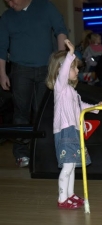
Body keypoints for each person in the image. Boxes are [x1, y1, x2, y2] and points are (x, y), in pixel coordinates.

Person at [0, 0, 68, 167]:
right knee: (21, 112)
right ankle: (21, 154)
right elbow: (1, 48)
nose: (10, 4)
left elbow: (61, 31)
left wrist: (60, 63)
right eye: (6, 1)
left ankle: (41, 151)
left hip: (46, 68)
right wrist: (2, 74)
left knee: (42, 112)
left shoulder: (46, 7)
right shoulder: (7, 17)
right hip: (20, 70)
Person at [45, 39, 102, 209]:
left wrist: (96, 107)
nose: (77, 70)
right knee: (67, 167)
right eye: (74, 67)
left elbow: (81, 107)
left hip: (74, 131)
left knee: (71, 166)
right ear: (62, 69)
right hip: (65, 131)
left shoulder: (72, 92)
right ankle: (62, 199)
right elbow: (64, 72)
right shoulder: (60, 87)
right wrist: (70, 53)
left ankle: (70, 195)